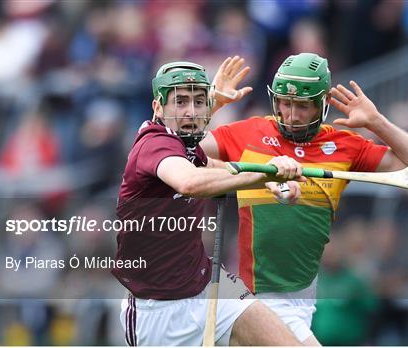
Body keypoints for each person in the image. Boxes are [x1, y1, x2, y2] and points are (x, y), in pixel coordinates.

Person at [201, 52, 408, 345]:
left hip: (303, 300)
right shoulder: (247, 133)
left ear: (322, 103)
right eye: (284, 103)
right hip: (257, 299)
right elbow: (175, 150)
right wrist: (212, 104)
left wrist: (377, 122)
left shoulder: (344, 146)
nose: (291, 115)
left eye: (302, 106)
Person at [111, 58, 305, 346]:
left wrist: (272, 177)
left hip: (209, 283)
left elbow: (220, 168)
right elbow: (190, 183)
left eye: (200, 102)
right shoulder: (155, 145)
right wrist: (260, 177)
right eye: (181, 102)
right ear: (157, 108)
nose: (191, 111)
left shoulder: (188, 146)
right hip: (159, 311)